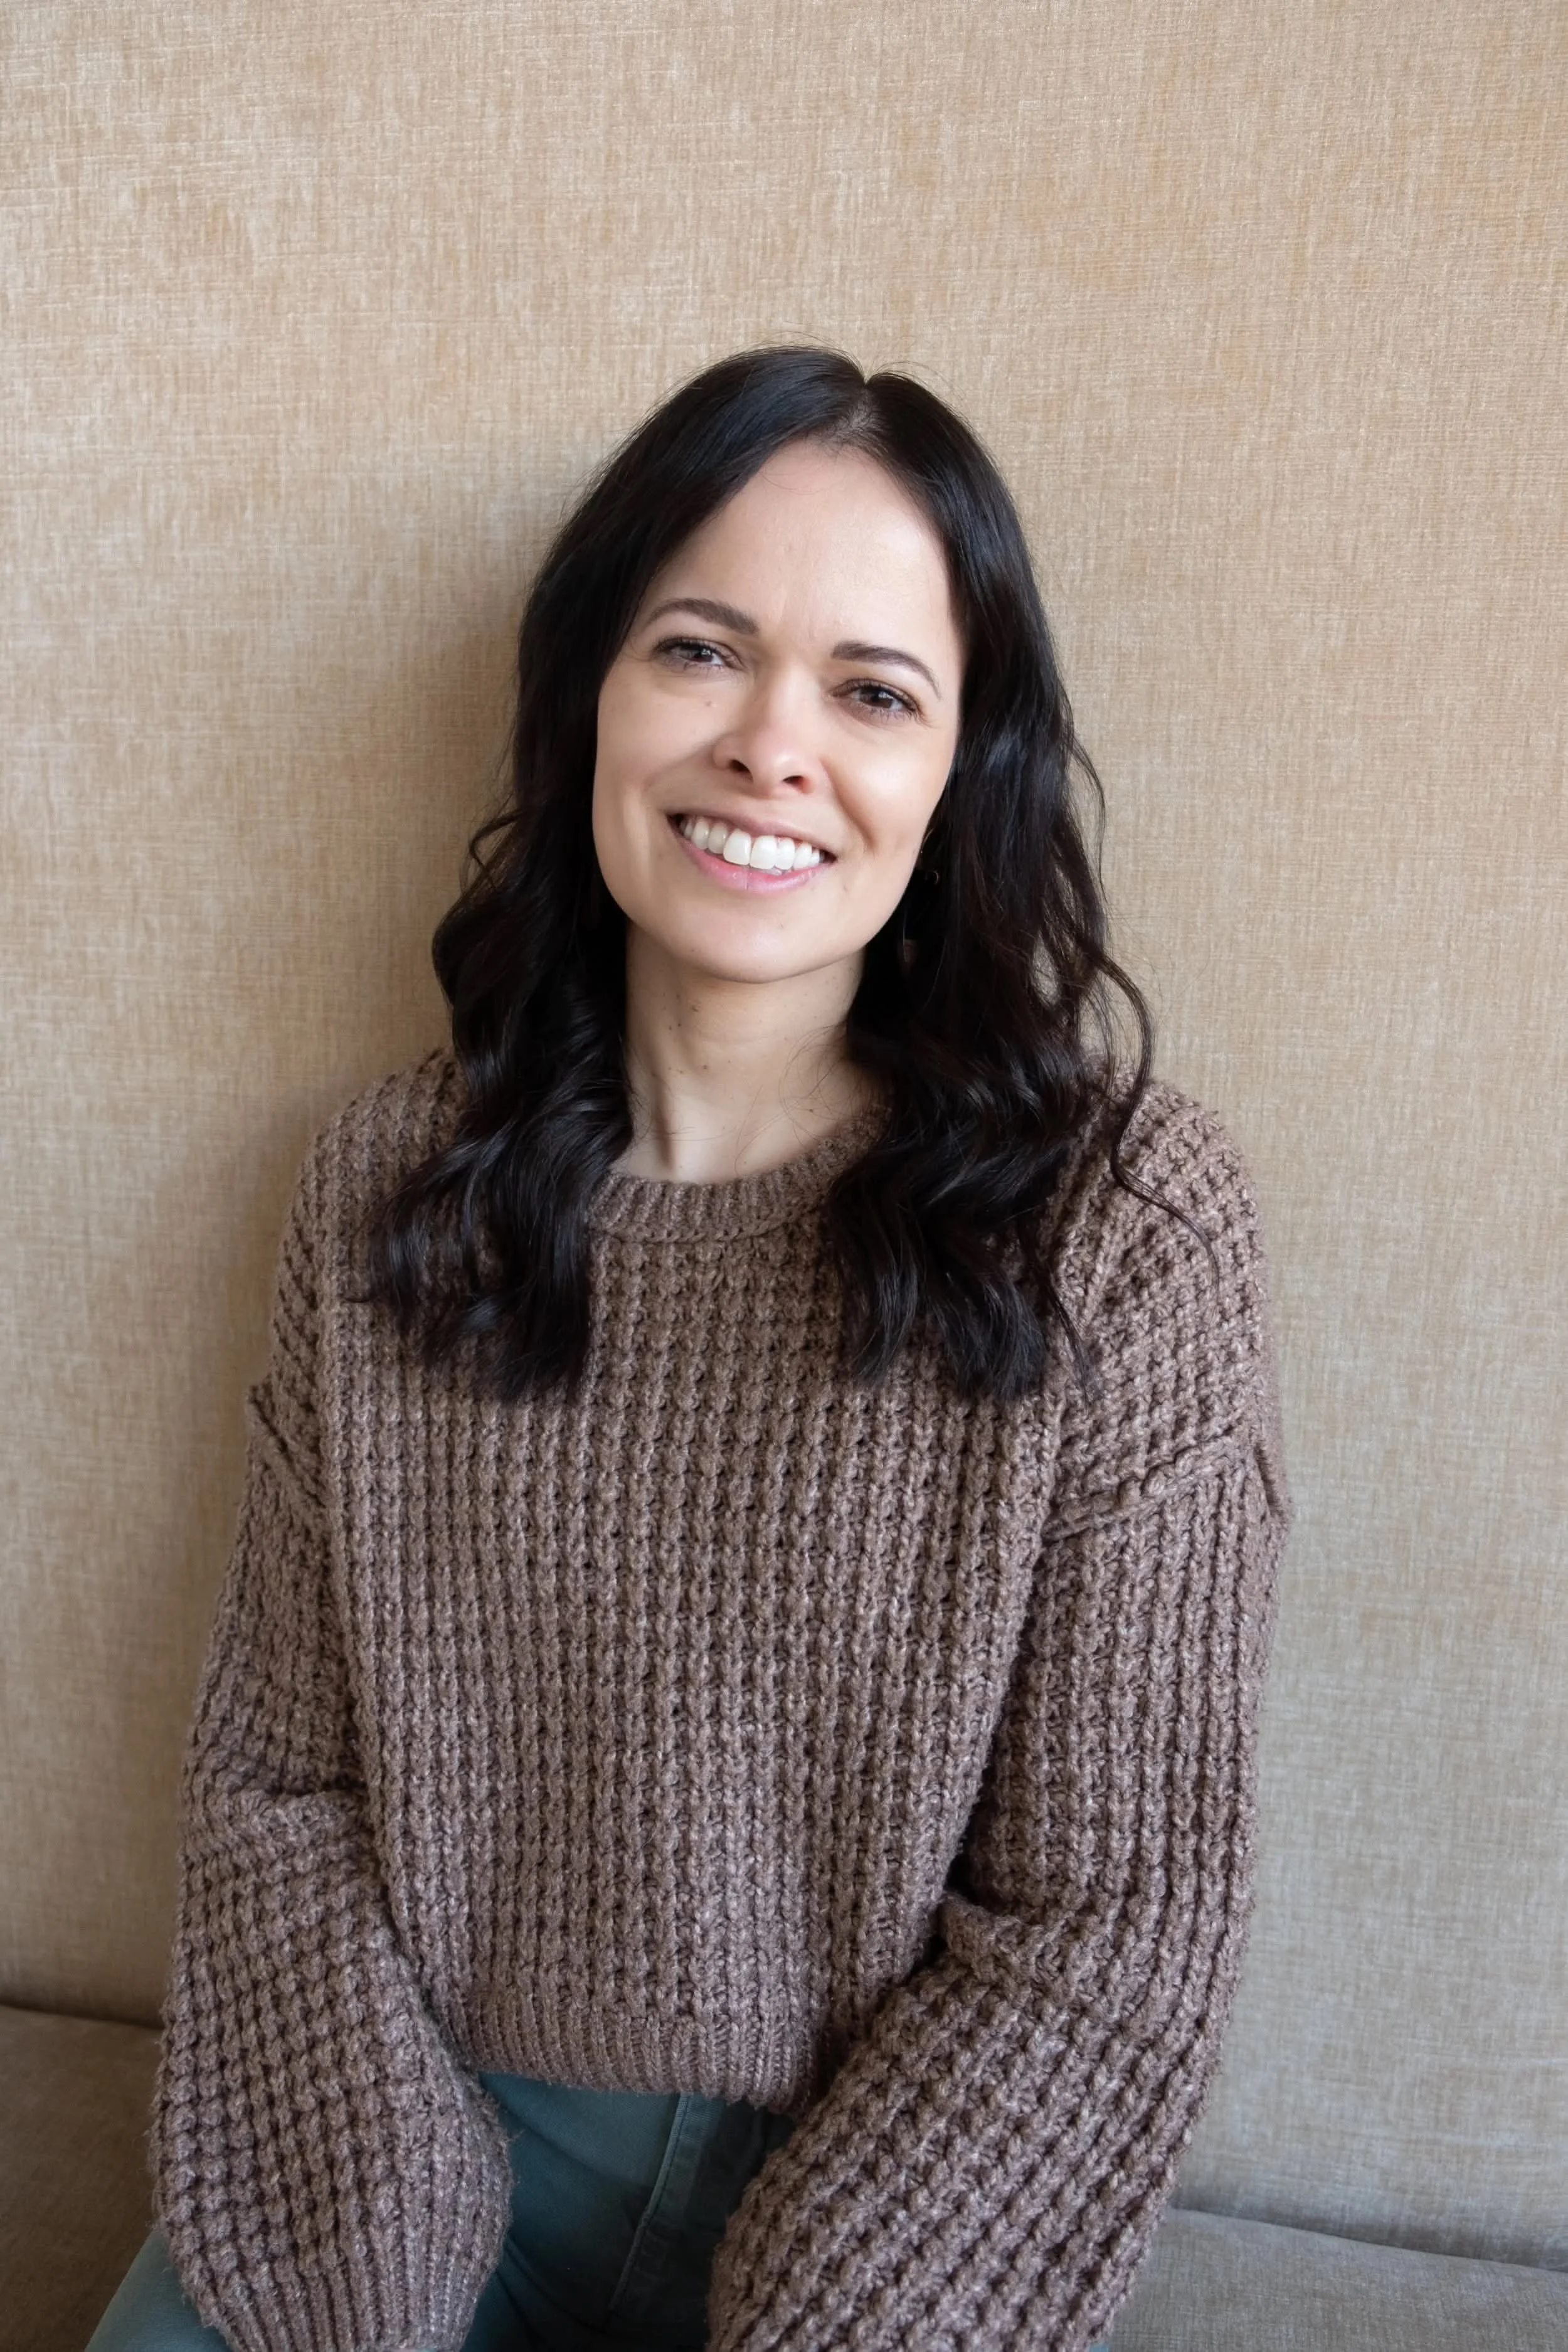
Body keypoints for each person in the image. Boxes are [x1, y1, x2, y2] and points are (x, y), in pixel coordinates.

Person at [90, 346, 1290, 2352]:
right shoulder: (393, 1186)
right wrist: (371, 2267)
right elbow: (275, 1783)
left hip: (896, 2196)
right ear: (591, 696)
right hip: (395, 2132)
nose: (770, 745)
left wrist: (826, 2311)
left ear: (961, 767)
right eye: (701, 648)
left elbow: (1116, 1920)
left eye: (872, 690)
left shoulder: (1125, 1232)